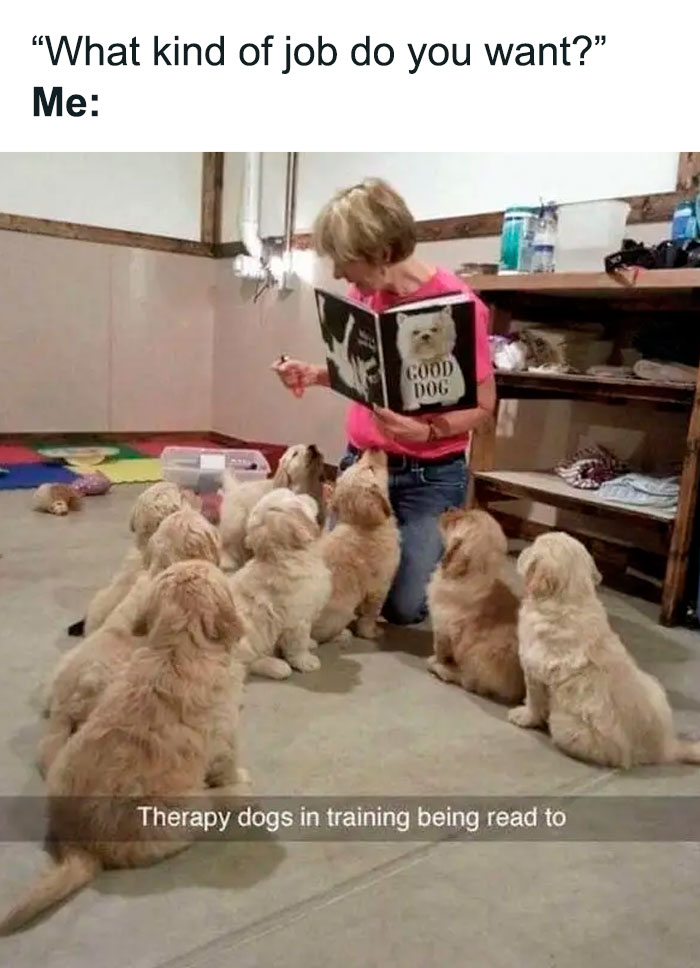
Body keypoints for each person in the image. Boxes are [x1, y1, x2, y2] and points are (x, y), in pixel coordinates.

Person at [272, 178, 495, 625]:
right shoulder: (365, 293)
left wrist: (429, 430)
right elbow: (368, 380)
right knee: (330, 585)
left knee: (403, 608)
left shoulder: (460, 306)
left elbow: (485, 408)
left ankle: (449, 563)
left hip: (428, 476)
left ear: (381, 252)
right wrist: (315, 374)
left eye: (343, 260)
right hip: (363, 467)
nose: (338, 274)